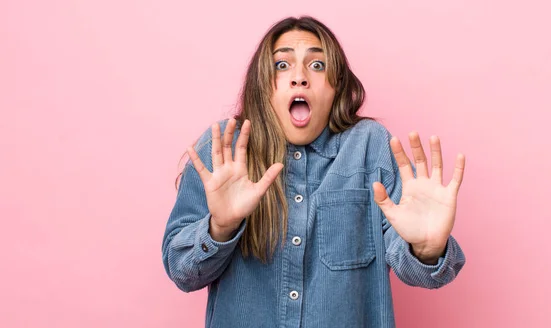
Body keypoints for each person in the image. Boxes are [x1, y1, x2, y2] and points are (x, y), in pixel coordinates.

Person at [161, 15, 466, 327]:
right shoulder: (224, 148)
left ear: (337, 88)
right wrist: (219, 228)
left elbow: (417, 268)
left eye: (317, 65)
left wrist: (427, 250)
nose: (300, 77)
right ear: (262, 86)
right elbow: (182, 271)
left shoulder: (371, 146)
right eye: (282, 65)